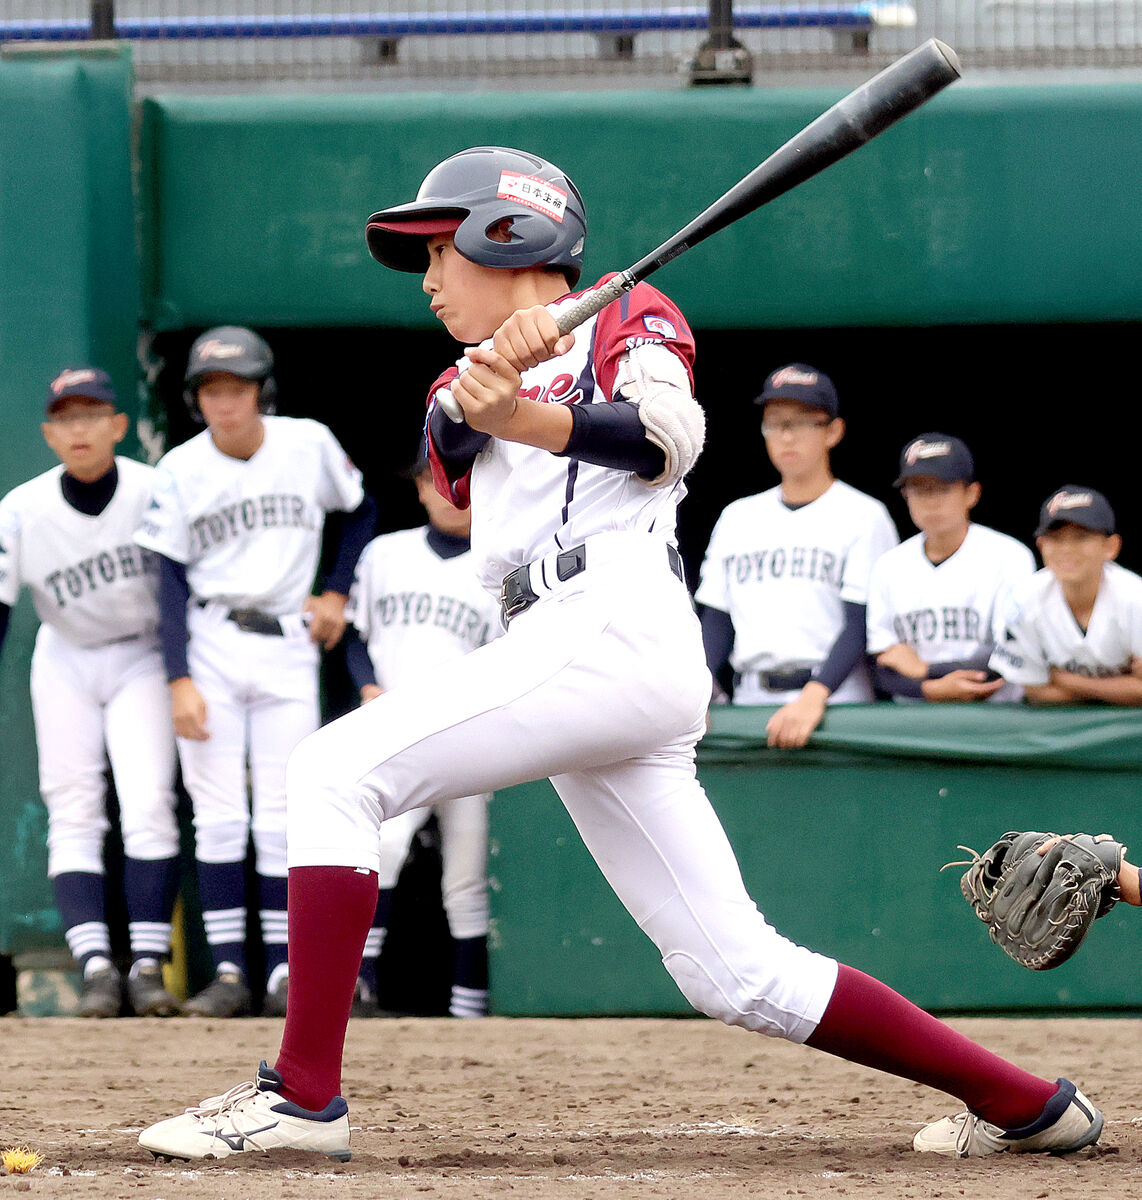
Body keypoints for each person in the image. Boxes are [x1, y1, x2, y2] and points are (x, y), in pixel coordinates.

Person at [139, 146, 1104, 1163]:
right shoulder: (456, 376)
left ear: (501, 235)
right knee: (733, 974)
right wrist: (489, 389)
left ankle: (301, 1097)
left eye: (437, 252)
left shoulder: (629, 314)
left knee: (331, 771)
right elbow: (448, 450)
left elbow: (666, 438)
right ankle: (1032, 1105)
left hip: (608, 611)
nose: (425, 282)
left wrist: (525, 406)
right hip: (563, 642)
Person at [135, 327, 374, 1017]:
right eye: (211, 391)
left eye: (236, 389)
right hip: (211, 637)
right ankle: (232, 973)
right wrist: (177, 677)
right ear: (195, 399)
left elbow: (361, 513)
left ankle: (281, 975)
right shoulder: (181, 467)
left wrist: (336, 591)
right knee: (217, 816)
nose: (224, 404)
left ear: (261, 392)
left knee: (281, 813)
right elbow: (170, 579)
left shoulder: (308, 443)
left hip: (287, 640)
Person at [0, 368, 180, 1018]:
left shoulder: (155, 490)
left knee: (149, 802)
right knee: (72, 807)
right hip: (67, 655)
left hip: (140, 652)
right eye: (66, 419)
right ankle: (98, 968)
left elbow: (186, 587)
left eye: (91, 415)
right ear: (50, 434)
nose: (79, 430)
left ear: (118, 426)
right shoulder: (20, 509)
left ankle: (150, 969)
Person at [344, 448, 500, 1019]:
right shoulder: (385, 553)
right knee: (382, 848)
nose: (449, 490)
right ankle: (361, 989)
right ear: (418, 488)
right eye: (437, 479)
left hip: (467, 733)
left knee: (467, 875)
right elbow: (355, 635)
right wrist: (366, 688)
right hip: (394, 727)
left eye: (462, 480)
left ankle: (469, 1007)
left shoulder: (501, 562)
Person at [695, 364, 898, 746]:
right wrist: (699, 685)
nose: (787, 436)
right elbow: (718, 619)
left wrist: (815, 695)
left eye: (802, 423)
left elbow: (862, 624)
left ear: (833, 431)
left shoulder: (865, 515)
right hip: (750, 699)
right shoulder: (738, 516)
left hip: (835, 705)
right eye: (775, 423)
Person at [866, 433, 1035, 702]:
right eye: (919, 489)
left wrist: (924, 670)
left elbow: (1014, 656)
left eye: (943, 488)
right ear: (905, 495)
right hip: (913, 720)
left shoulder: (1009, 557)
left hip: (994, 718)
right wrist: (928, 690)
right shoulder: (888, 566)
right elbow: (881, 666)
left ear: (972, 493)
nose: (931, 501)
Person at [990, 485, 1142, 705]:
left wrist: (1065, 681)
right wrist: (1123, 685)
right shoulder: (1023, 599)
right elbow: (1036, 692)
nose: (1067, 548)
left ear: (1111, 547)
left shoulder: (1135, 597)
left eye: (1081, 537)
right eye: (1055, 538)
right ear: (1041, 546)